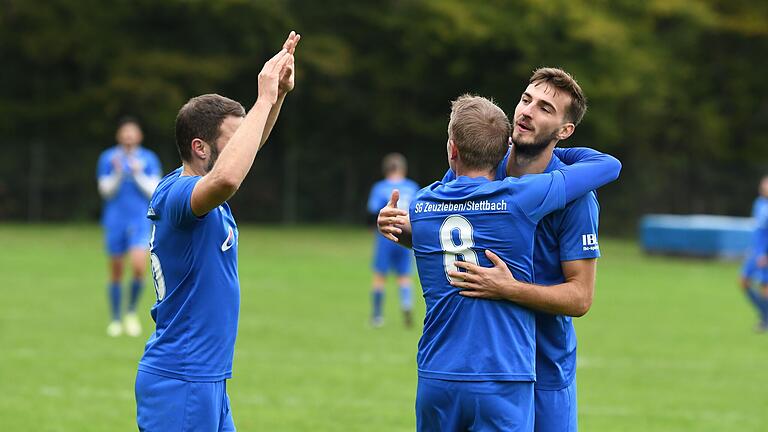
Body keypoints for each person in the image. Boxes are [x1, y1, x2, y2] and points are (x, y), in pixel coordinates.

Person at [380, 68, 602, 432]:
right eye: (526, 99)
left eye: (546, 108)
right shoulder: (481, 165)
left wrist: (508, 288)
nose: (528, 111)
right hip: (478, 365)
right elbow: (454, 241)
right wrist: (404, 228)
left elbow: (580, 298)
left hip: (545, 367)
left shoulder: (576, 199)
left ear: (565, 131)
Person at [134, 31, 300, 432]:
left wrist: (275, 97)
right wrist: (262, 99)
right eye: (233, 138)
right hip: (181, 380)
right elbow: (227, 179)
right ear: (201, 147)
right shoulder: (179, 195)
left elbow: (244, 153)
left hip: (204, 380)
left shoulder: (197, 188)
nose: (244, 144)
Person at [96, 117, 162, 337]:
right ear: (119, 136)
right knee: (115, 271)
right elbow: (105, 191)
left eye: (132, 133)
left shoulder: (148, 158)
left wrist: (136, 173)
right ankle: (115, 318)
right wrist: (117, 173)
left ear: (139, 136)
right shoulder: (108, 158)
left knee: (137, 267)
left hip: (140, 221)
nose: (128, 137)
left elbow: (155, 191)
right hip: (115, 220)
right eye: (125, 133)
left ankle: (131, 311)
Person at [366, 153, 420, 327]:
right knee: (404, 276)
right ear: (403, 169)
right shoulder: (412, 187)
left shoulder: (380, 188)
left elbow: (374, 210)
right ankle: (406, 304)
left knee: (379, 277)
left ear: (386, 170)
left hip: (386, 237)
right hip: (406, 235)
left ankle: (377, 316)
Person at [740, 175, 768, 331]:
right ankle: (765, 315)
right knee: (743, 281)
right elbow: (758, 230)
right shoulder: (758, 203)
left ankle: (765, 320)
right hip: (755, 252)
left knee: (765, 286)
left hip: (765, 253)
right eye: (764, 183)